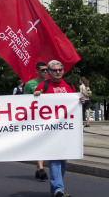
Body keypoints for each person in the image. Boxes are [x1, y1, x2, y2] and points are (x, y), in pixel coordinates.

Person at [34, 60, 85, 197]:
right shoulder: (43, 85)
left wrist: (81, 101)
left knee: (63, 161)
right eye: (55, 70)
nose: (58, 72)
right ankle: (58, 189)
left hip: (67, 129)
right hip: (50, 129)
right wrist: (36, 96)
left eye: (60, 70)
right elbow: (31, 106)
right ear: (49, 72)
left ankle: (55, 188)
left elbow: (76, 102)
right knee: (55, 157)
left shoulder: (69, 85)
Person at [24, 62, 49, 181]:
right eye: (43, 70)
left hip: (48, 117)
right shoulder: (30, 84)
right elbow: (23, 102)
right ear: (37, 71)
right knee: (40, 142)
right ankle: (41, 169)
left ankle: (39, 169)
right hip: (35, 118)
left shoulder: (50, 83)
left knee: (43, 142)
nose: (45, 72)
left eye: (46, 70)